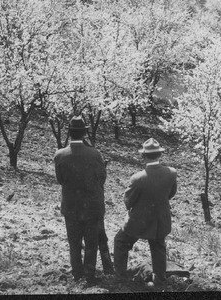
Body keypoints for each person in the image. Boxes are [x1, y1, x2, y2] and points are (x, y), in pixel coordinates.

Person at [113, 138, 178, 283]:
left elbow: (128, 201)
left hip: (138, 221)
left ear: (143, 156)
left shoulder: (137, 178)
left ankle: (120, 277)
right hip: (160, 220)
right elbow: (171, 194)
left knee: (120, 241)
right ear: (160, 155)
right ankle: (159, 279)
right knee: (158, 246)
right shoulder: (171, 173)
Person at [53, 116, 106, 283]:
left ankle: (77, 274)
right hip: (92, 206)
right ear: (84, 133)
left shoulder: (60, 155)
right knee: (91, 244)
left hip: (71, 206)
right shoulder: (96, 153)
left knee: (74, 243)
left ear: (69, 134)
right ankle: (90, 275)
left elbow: (60, 180)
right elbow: (102, 178)